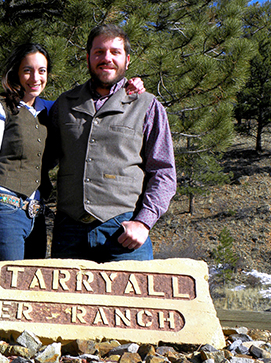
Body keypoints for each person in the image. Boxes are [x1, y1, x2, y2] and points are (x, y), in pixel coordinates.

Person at [49, 24, 176, 262]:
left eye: (115, 52)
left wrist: (143, 222)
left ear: (127, 60)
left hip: (124, 231)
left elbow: (163, 172)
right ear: (88, 58)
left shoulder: (147, 105)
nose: (106, 58)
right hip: (69, 232)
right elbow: (41, 160)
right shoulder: (64, 104)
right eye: (99, 52)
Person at [0, 43, 54, 262]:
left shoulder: (49, 109)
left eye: (41, 71)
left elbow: (84, 99)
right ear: (15, 73)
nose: (35, 78)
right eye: (27, 70)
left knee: (32, 290)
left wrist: (126, 86)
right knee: (6, 286)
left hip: (36, 214)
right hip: (4, 210)